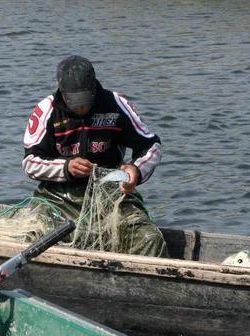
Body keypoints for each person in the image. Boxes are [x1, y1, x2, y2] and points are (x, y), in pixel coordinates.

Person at [22, 55, 168, 258]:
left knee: (149, 238)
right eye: (75, 103)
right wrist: (66, 168)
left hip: (111, 194)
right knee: (33, 234)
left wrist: (135, 170)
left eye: (86, 101)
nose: (82, 108)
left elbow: (151, 146)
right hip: (58, 197)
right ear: (59, 87)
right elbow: (30, 163)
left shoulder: (116, 104)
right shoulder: (46, 111)